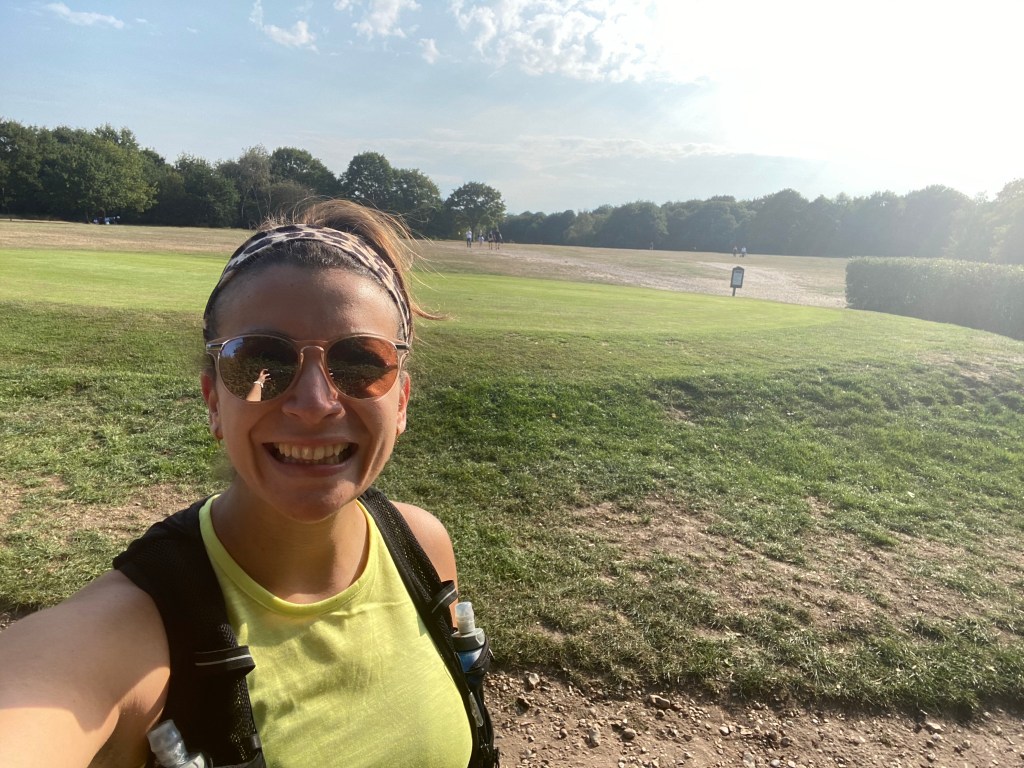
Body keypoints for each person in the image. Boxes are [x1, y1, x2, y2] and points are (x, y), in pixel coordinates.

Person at [0, 200, 489, 767]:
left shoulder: (421, 546)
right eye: (260, 362)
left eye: (360, 361)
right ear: (213, 400)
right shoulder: (131, 632)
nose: (313, 404)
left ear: (400, 401)